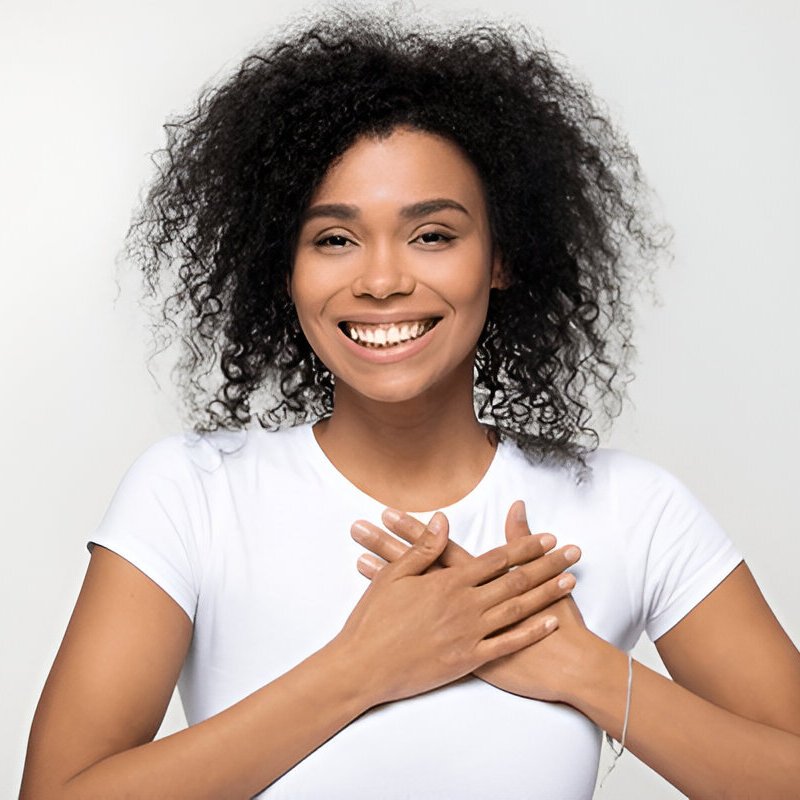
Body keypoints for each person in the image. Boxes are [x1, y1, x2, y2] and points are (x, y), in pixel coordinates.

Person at [20, 9, 800, 799]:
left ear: (500, 258)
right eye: (334, 239)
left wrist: (587, 672)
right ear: (283, 268)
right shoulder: (193, 495)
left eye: (432, 235)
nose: (383, 280)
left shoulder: (631, 510)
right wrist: (361, 668)